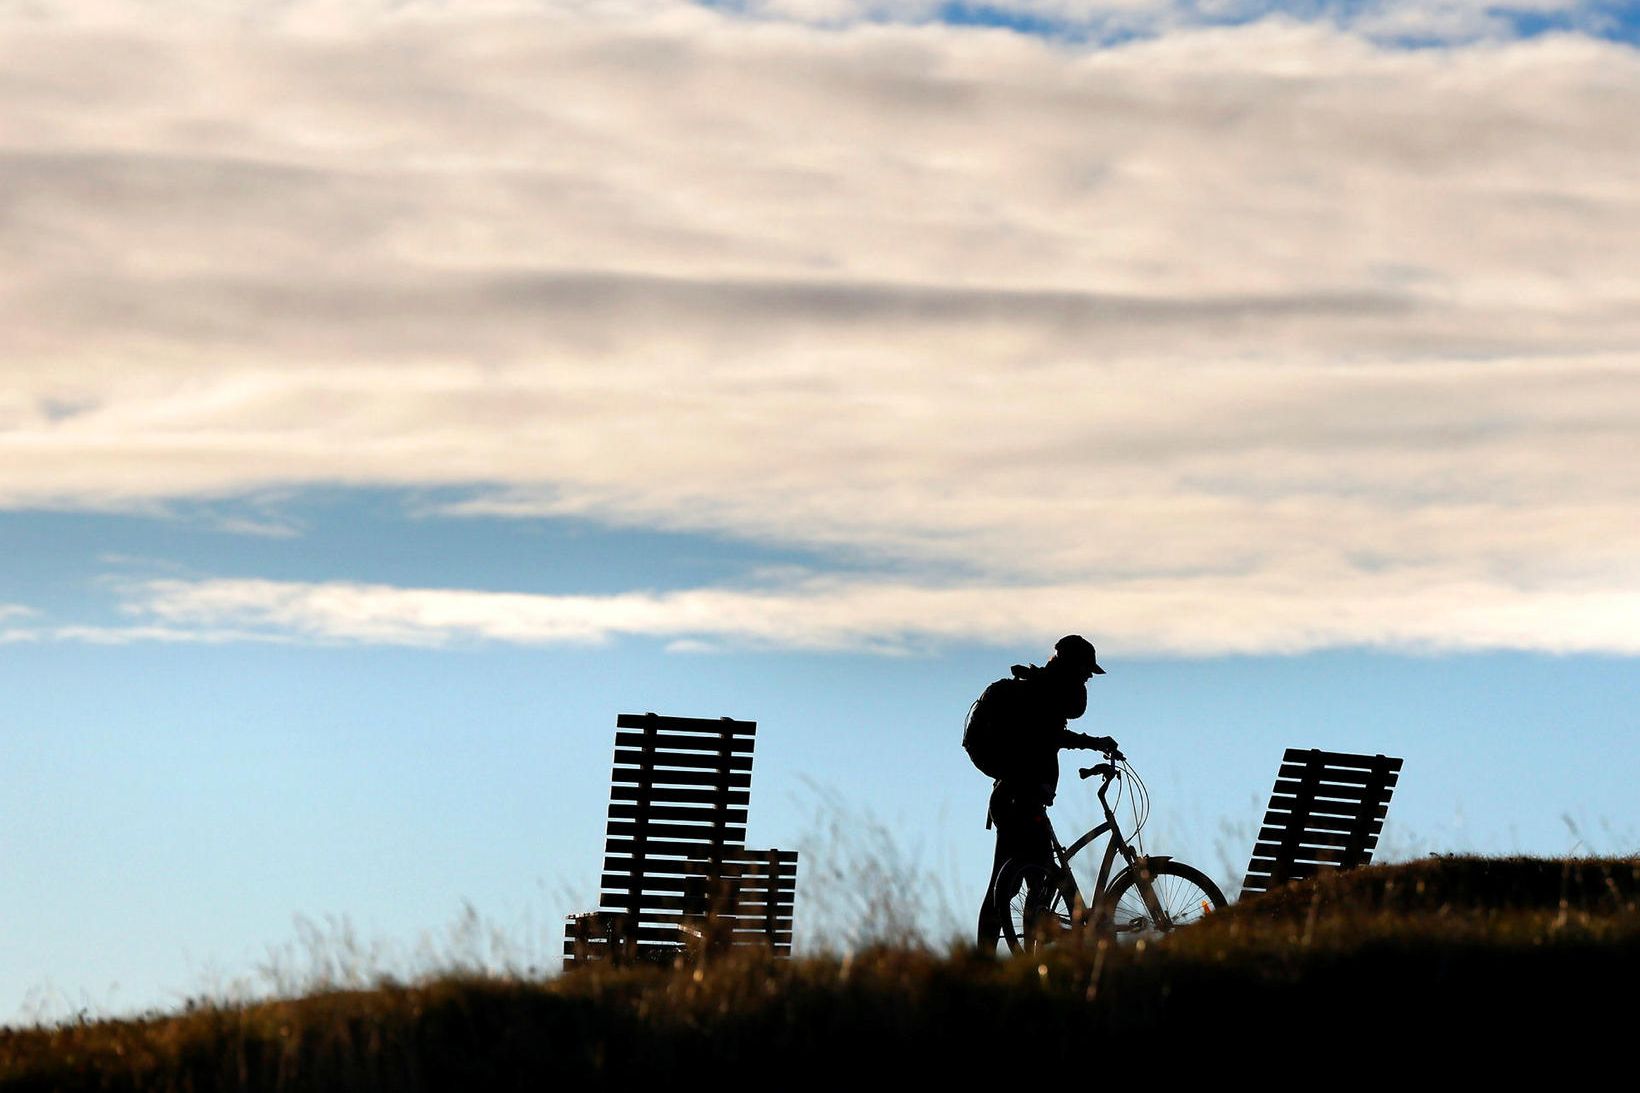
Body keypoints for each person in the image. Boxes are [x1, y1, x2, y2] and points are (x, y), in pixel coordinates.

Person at [974, 634, 1117, 954]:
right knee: (1010, 884)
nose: (1087, 678)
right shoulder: (1042, 693)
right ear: (1072, 665)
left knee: (1036, 885)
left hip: (1021, 797)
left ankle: (1026, 957)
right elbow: (1052, 736)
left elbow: (1051, 736)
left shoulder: (1046, 691)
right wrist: (1096, 743)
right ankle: (990, 959)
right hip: (1017, 799)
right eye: (1085, 671)